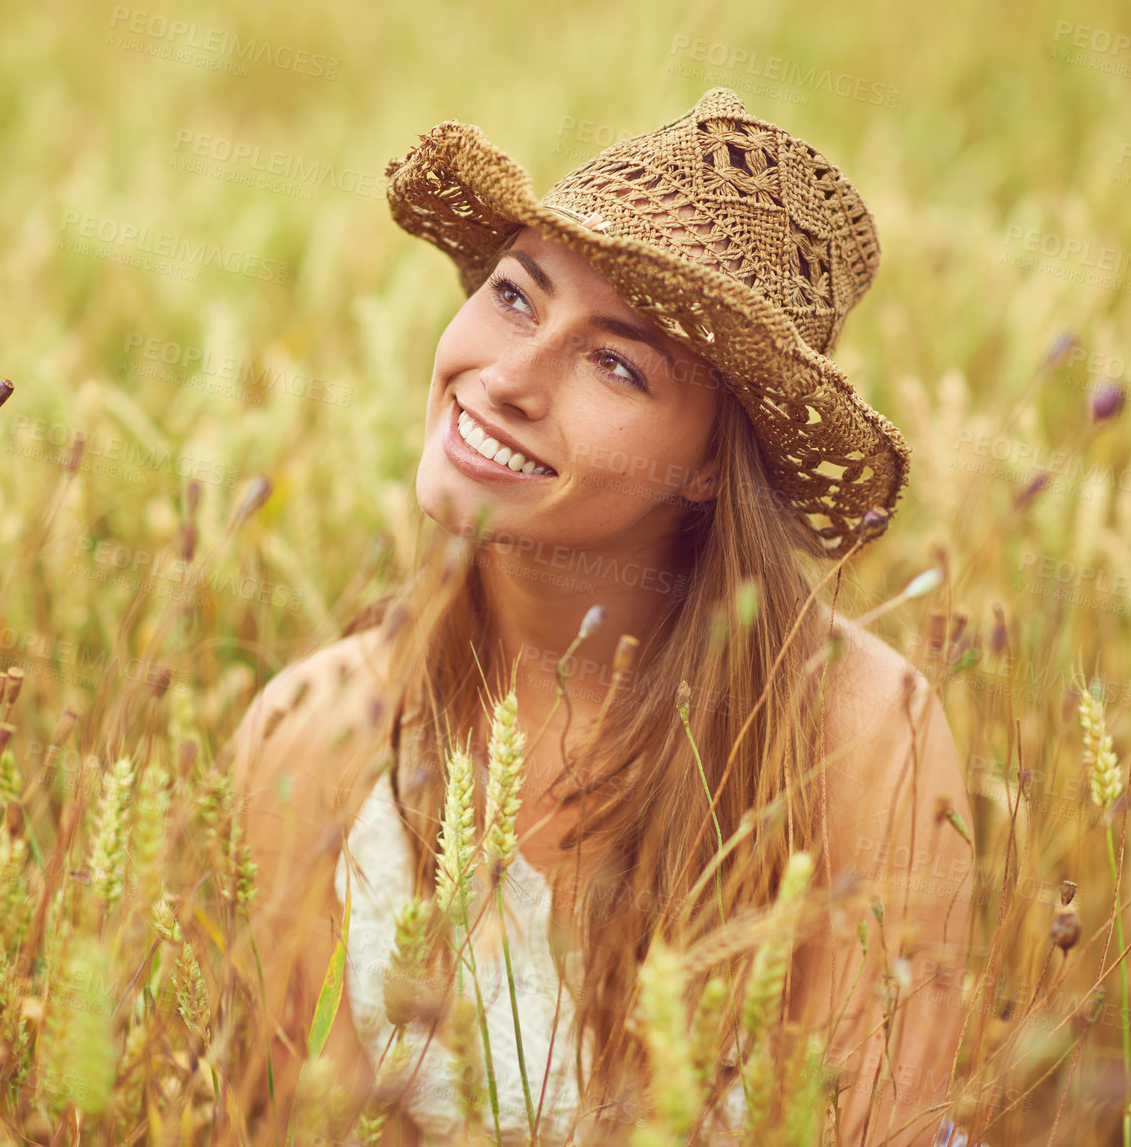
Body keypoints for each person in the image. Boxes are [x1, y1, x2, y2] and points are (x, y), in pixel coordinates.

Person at [225, 86, 977, 1146]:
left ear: (714, 462)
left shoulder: (855, 739)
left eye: (615, 363)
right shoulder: (311, 733)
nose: (507, 377)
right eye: (515, 297)